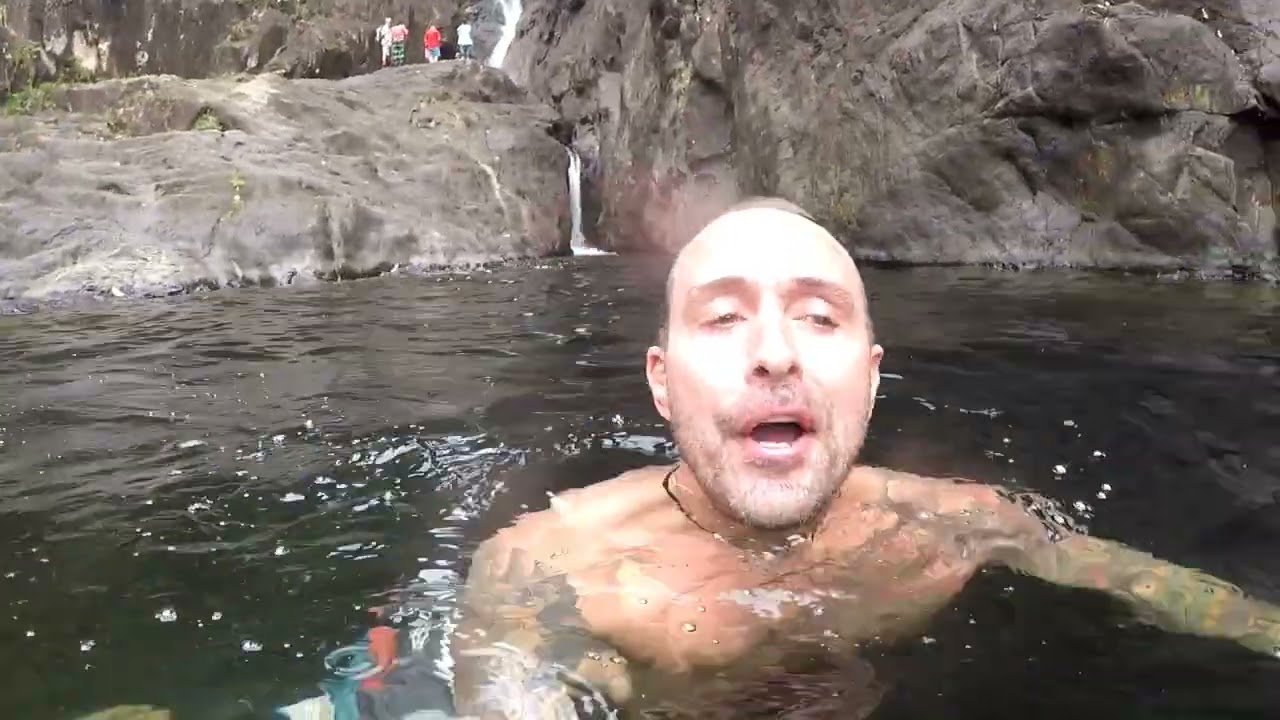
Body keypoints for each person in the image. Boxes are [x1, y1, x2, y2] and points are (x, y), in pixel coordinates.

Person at [450, 197, 1280, 718]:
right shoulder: (555, 569)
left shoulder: (952, 525)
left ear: (873, 379)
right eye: (724, 317)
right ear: (661, 383)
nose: (775, 354)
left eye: (819, 317)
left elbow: (1153, 587)